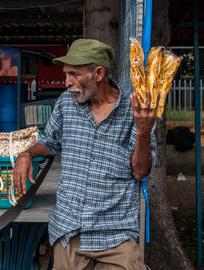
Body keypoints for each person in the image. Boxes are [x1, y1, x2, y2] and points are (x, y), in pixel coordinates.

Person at [13, 39, 157, 270]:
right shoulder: (66, 104)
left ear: (98, 73)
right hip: (70, 230)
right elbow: (50, 142)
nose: (67, 82)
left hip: (115, 234)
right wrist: (26, 154)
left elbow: (140, 171)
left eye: (74, 74)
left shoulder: (135, 110)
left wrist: (143, 131)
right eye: (66, 74)